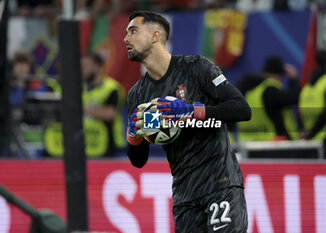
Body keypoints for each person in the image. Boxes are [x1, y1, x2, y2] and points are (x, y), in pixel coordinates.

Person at [124, 11, 251, 232]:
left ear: (155, 36)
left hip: (220, 184)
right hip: (185, 197)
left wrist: (192, 112)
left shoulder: (197, 68)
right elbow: (139, 160)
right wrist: (134, 137)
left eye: (133, 31)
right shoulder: (138, 95)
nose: (126, 39)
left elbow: (241, 109)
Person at [44, 53, 125, 157]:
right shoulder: (78, 87)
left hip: (107, 145)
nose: (82, 70)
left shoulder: (111, 88)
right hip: (86, 143)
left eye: (86, 66)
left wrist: (80, 109)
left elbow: (110, 114)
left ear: (97, 66)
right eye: (81, 67)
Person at [236, 56, 300, 142]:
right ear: (278, 75)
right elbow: (294, 98)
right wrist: (293, 79)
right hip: (272, 145)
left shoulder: (245, 92)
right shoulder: (269, 90)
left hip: (247, 145)